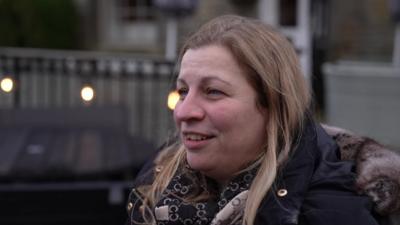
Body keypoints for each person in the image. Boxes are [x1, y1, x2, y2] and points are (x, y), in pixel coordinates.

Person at [126, 15, 379, 225]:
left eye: (213, 91)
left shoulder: (329, 211)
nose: (183, 111)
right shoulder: (154, 183)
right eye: (183, 91)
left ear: (272, 105)